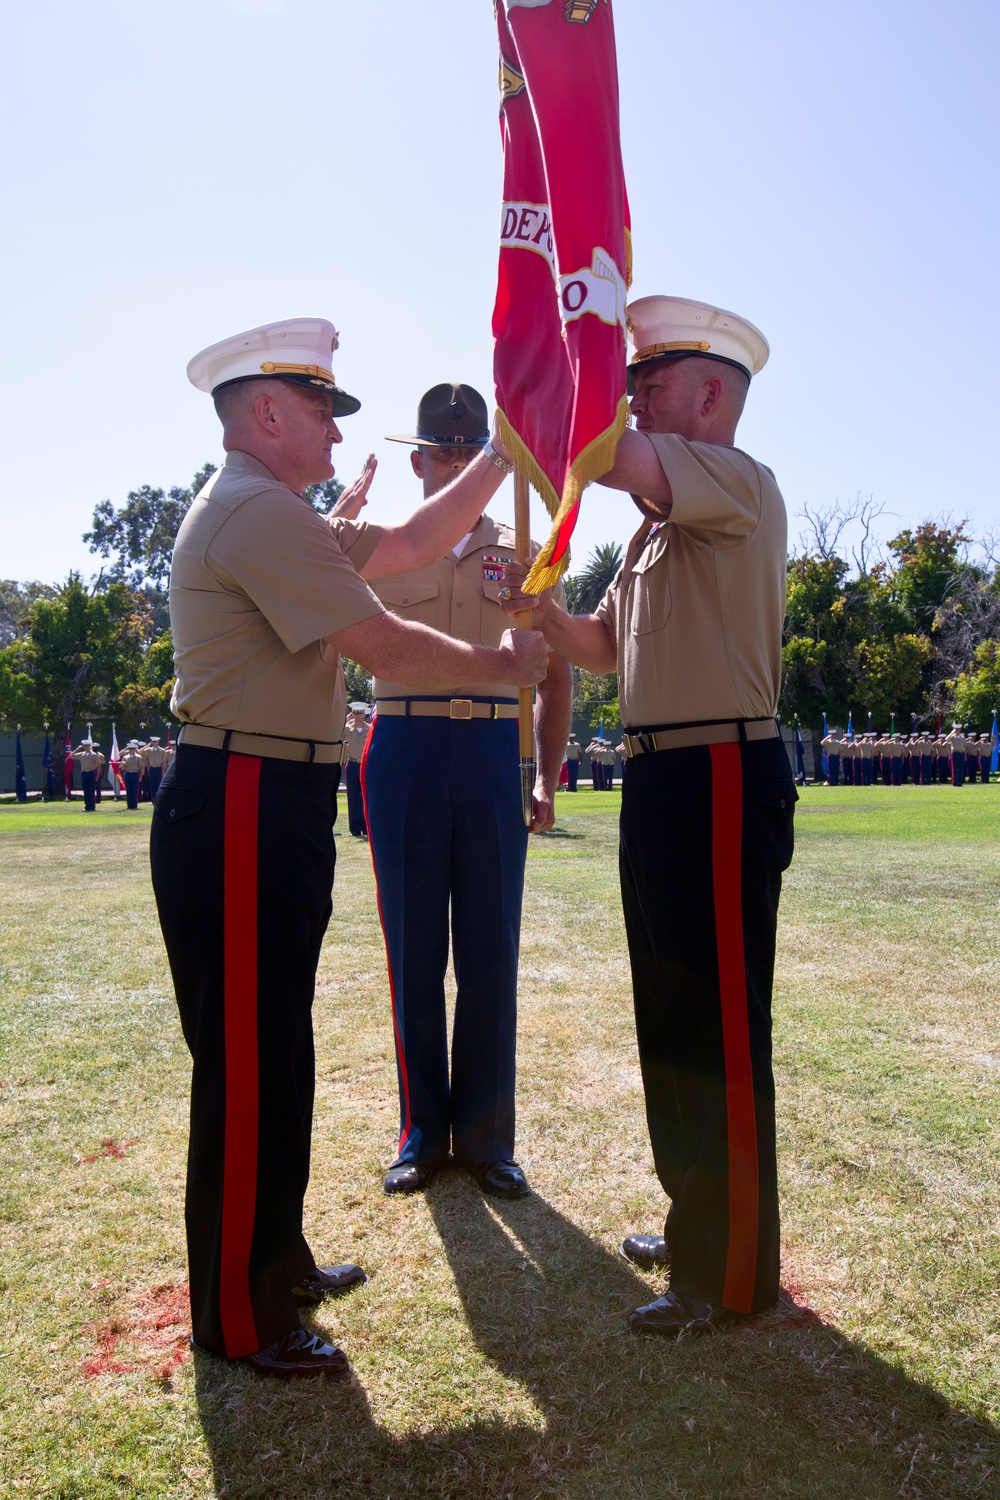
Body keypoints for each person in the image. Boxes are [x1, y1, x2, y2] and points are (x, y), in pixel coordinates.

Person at [150, 318, 549, 1380]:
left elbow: (414, 544)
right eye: (322, 406)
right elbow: (382, 640)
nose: (335, 428)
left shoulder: (277, 512)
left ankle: (275, 1258)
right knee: (245, 1063)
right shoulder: (253, 512)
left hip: (273, 792)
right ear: (266, 413)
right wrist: (500, 664)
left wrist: (503, 459)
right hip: (239, 792)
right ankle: (239, 1317)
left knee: (277, 1046)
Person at [499, 294, 795, 1338]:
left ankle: (732, 1271)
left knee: (717, 1026)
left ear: (711, 395)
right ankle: (696, 1219)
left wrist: (548, 376)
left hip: (719, 771)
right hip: (663, 779)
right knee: (671, 1017)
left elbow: (607, 456)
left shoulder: (734, 482)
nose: (627, 399)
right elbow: (600, 651)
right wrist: (541, 614)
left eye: (645, 383)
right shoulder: (655, 531)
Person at [362, 382, 572, 1199]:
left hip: (491, 747)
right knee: (413, 945)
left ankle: (487, 1133)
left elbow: (554, 675)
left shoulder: (525, 543)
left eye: (468, 449)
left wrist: (546, 773)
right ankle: (422, 1128)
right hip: (405, 742)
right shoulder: (382, 546)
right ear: (418, 460)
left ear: (494, 454)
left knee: (489, 947)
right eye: (442, 452)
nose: (453, 463)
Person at [342, 703, 369, 838]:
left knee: (365, 796)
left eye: (360, 713)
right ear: (352, 714)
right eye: (356, 713)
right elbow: (337, 736)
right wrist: (346, 721)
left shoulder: (370, 729)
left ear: (365, 714)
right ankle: (355, 828)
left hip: (365, 764)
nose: (358, 716)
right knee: (353, 797)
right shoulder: (346, 729)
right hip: (352, 763)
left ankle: (366, 827)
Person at [72, 740, 101, 812]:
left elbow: (98, 766)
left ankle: (92, 806)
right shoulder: (81, 754)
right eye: (85, 746)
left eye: (88, 746)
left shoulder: (94, 755)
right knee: (86, 790)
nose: (87, 747)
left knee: (91, 790)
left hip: (91, 772)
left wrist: (97, 776)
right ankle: (87, 806)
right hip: (84, 773)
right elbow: (71, 756)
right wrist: (77, 749)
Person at [119, 740, 144, 809]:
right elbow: (123, 768)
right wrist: (122, 765)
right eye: (130, 749)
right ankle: (129, 805)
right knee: (128, 790)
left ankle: (134, 805)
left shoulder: (138, 757)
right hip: (128, 773)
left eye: (132, 749)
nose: (131, 750)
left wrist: (141, 776)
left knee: (134, 790)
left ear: (135, 749)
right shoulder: (125, 757)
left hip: (135, 773)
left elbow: (141, 767)